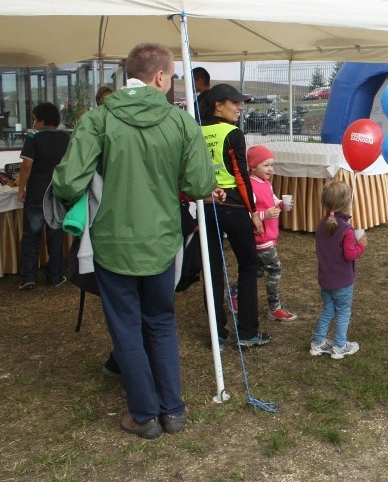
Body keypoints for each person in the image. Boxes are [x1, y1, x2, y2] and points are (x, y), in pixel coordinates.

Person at [51, 42, 218, 439]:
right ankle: (172, 411)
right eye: (173, 75)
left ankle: (144, 416)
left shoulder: (98, 119)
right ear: (159, 76)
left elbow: (67, 180)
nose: (173, 81)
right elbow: (200, 183)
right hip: (161, 241)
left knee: (126, 327)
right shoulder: (182, 123)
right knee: (160, 322)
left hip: (113, 243)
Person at [200, 83, 269, 349]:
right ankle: (248, 332)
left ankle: (217, 332)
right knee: (249, 265)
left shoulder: (196, 130)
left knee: (213, 268)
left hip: (206, 203)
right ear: (219, 105)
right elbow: (241, 176)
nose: (240, 108)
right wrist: (253, 212)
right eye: (235, 103)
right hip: (234, 206)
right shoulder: (232, 132)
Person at [309, 180, 366, 360]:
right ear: (348, 202)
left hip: (325, 278)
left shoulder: (321, 224)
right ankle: (340, 346)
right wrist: (362, 245)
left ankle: (318, 343)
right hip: (342, 281)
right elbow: (350, 254)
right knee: (343, 311)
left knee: (328, 309)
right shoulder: (346, 229)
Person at [17, 102, 70, 290]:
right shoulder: (66, 138)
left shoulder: (33, 137)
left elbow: (26, 166)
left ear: (42, 120)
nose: (34, 123)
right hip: (57, 194)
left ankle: (29, 277)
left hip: (37, 195)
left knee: (31, 238)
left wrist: (21, 189)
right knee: (55, 238)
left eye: (34, 119)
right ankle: (55, 277)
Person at [247, 144, 297, 322]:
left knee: (259, 270)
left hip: (270, 236)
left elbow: (273, 201)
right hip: (261, 237)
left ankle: (234, 293)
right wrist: (263, 214)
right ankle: (274, 308)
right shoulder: (251, 186)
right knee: (275, 268)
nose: (270, 169)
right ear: (253, 166)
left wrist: (282, 205)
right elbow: (248, 213)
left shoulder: (266, 184)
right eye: (265, 165)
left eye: (271, 165)